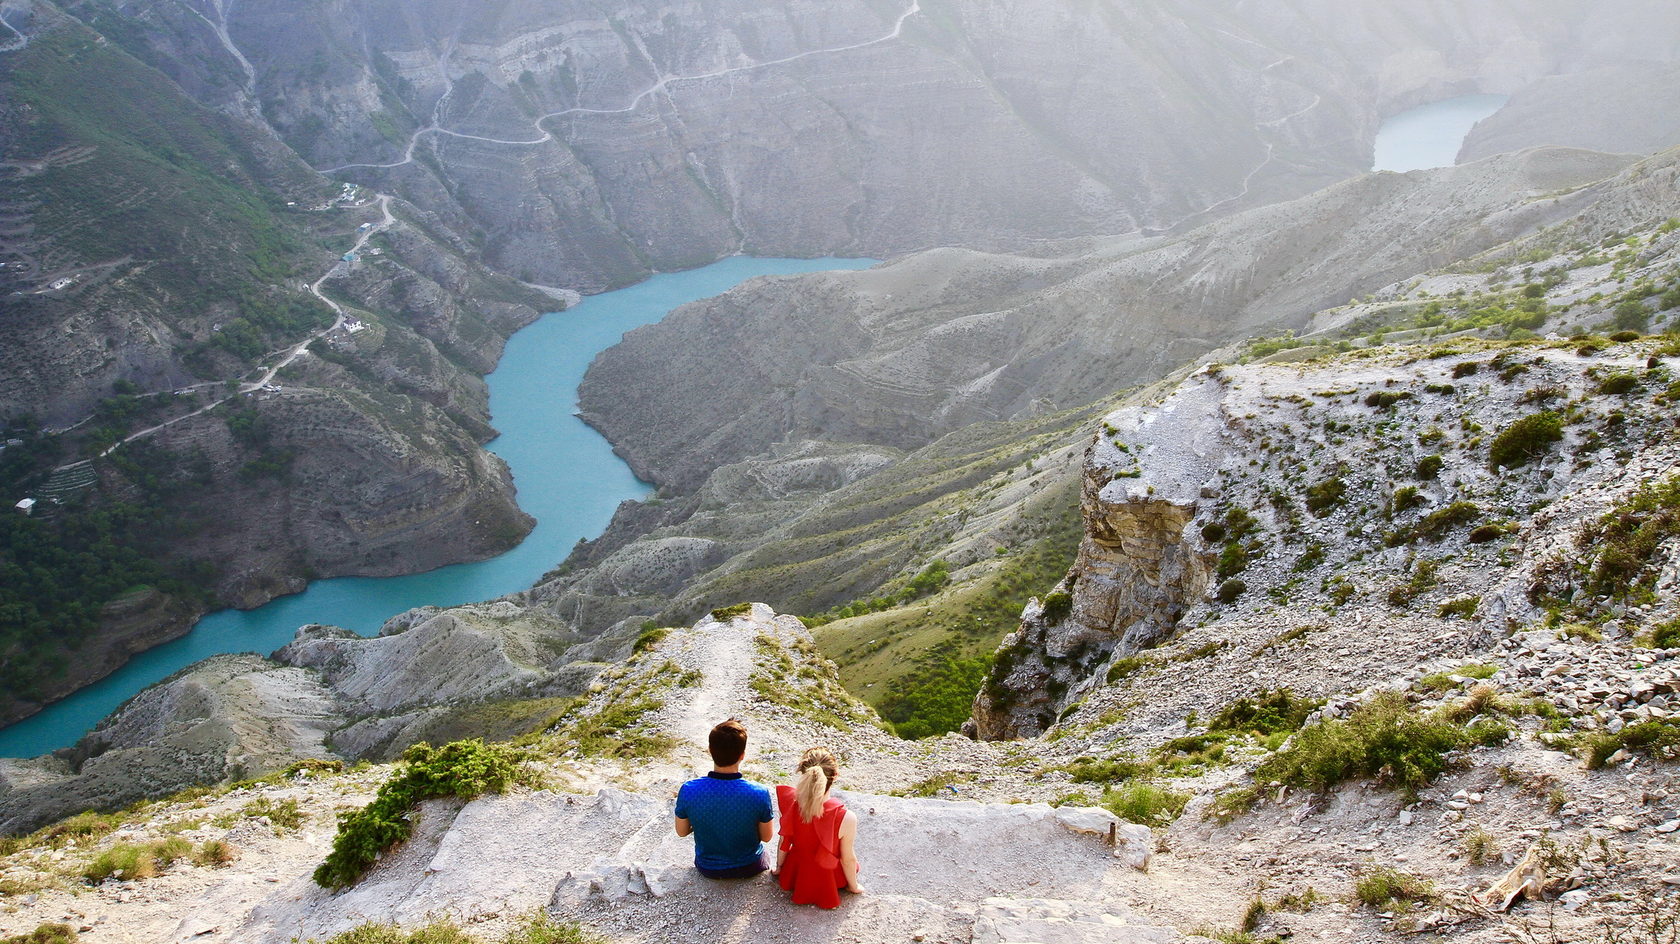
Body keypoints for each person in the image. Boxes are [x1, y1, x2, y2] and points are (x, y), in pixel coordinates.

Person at [674, 719, 774, 879]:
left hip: (708, 867)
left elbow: (682, 831)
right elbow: (767, 837)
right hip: (750, 865)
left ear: (710, 751)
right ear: (742, 755)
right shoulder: (759, 792)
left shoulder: (689, 790)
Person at [774, 747, 864, 908]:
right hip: (829, 876)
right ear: (835, 776)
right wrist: (854, 886)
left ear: (803, 772)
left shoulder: (791, 804)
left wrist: (779, 868)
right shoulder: (846, 817)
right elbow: (847, 859)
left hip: (796, 872)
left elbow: (784, 841)